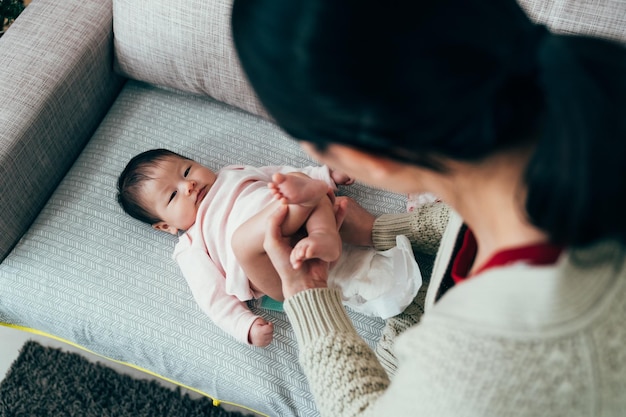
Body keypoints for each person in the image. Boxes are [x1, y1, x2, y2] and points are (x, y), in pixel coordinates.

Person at [231, 0, 626, 415]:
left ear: (368, 160)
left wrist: (308, 295)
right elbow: (463, 221)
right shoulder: (568, 110)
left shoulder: (480, 360)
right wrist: (380, 231)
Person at [116, 148, 354, 346]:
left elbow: (282, 177)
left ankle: (338, 233)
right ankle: (316, 219)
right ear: (165, 226)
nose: (188, 185)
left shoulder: (231, 173)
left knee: (319, 193)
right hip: (272, 266)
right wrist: (243, 325)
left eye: (187, 171)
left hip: (297, 217)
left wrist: (325, 175)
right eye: (172, 196)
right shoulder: (190, 245)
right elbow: (212, 297)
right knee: (248, 237)